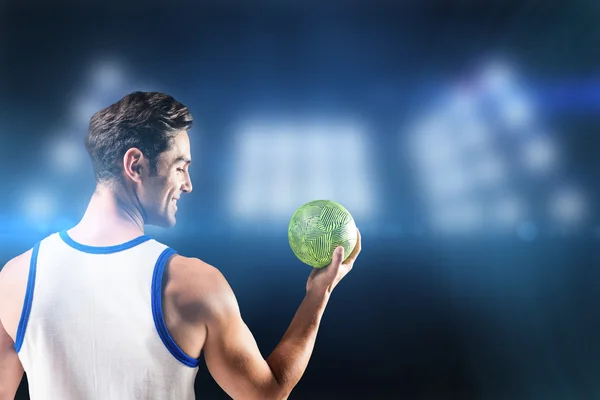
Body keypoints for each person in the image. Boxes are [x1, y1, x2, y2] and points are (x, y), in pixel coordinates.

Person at [0, 92, 362, 400]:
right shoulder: (194, 285)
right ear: (135, 164)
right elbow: (266, 394)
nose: (188, 185)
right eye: (179, 167)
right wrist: (319, 294)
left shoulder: (15, 279)